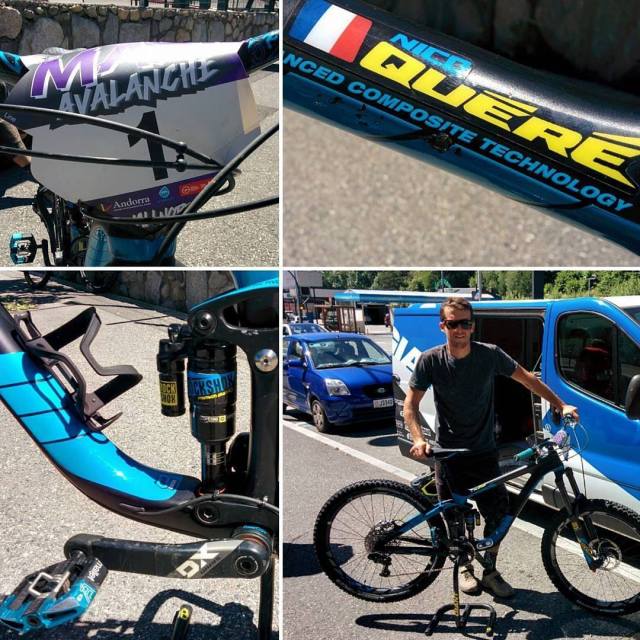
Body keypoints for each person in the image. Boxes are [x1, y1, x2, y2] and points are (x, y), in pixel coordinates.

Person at [403, 297, 579, 599]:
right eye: (453, 323)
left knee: (498, 517)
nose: (460, 329)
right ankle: (465, 569)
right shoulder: (430, 360)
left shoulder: (489, 355)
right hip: (448, 454)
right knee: (455, 520)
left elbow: (527, 379)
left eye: (465, 323)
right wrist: (418, 438)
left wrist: (560, 404)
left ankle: (490, 571)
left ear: (473, 326)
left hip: (484, 452)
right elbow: (410, 405)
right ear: (443, 326)